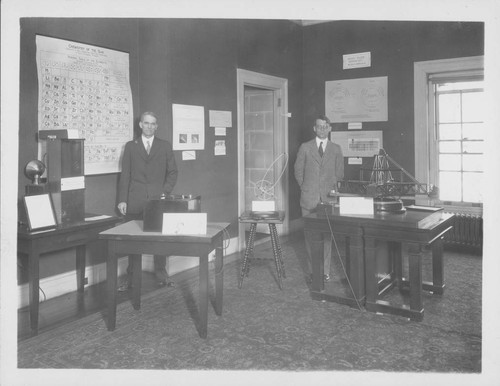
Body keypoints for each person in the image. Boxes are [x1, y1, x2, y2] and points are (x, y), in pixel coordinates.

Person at [117, 111, 178, 291]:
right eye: (146, 123)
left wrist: (163, 192)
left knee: (159, 240)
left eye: (153, 124)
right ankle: (131, 277)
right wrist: (122, 200)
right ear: (140, 125)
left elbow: (173, 172)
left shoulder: (164, 146)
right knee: (133, 241)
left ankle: (161, 274)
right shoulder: (130, 146)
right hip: (134, 200)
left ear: (156, 126)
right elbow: (125, 174)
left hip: (157, 201)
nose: (150, 126)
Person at [294, 115, 344, 282]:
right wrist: (306, 187)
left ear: (330, 128)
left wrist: (331, 192)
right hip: (309, 198)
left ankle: (325, 271)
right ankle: (313, 270)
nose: (322, 129)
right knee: (310, 236)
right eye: (319, 126)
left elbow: (339, 175)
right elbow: (298, 171)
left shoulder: (336, 149)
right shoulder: (305, 147)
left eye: (325, 126)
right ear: (314, 128)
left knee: (327, 237)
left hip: (328, 199)